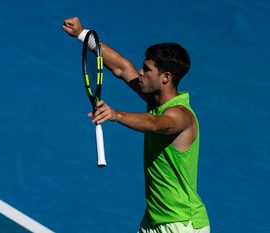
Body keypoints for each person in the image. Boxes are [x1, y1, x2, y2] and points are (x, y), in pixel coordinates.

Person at [63, 17, 210, 233]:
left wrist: (116, 115)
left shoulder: (180, 116)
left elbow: (154, 123)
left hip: (181, 225)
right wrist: (82, 34)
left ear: (165, 77)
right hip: (154, 220)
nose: (140, 72)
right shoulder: (156, 100)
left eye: (147, 69)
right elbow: (122, 67)